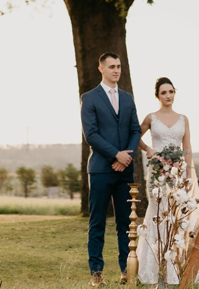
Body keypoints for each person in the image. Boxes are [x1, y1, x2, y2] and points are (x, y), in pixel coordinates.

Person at [135, 77, 199, 284]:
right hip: (158, 174)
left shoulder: (183, 119)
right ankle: (154, 266)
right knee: (158, 215)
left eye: (171, 91)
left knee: (179, 217)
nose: (168, 96)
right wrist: (148, 149)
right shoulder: (151, 117)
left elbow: (187, 148)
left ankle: (177, 267)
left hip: (178, 174)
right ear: (157, 95)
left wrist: (188, 175)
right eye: (163, 92)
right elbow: (135, 136)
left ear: (175, 93)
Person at [81, 52, 141, 287]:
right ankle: (96, 274)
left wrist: (127, 156)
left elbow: (136, 130)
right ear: (101, 69)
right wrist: (115, 154)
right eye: (112, 66)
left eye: (119, 66)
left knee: (126, 222)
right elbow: (91, 135)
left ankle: (127, 269)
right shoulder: (90, 98)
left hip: (125, 170)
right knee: (97, 222)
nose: (116, 70)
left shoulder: (127, 98)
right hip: (100, 170)